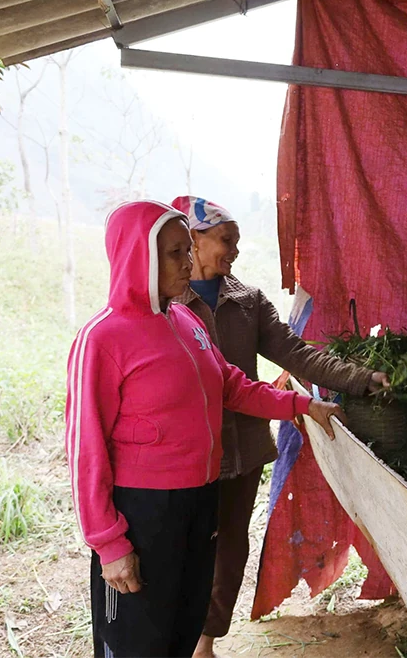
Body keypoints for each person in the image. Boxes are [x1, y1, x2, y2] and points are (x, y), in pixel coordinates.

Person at [65, 200, 346, 658]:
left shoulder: (185, 320)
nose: (188, 262)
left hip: (199, 497)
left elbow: (231, 387)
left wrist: (300, 404)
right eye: (175, 253)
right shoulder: (103, 337)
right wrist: (109, 543)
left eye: (185, 250)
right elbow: (85, 447)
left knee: (183, 619)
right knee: (138, 636)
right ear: (141, 256)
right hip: (144, 510)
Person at [168, 195, 389, 658]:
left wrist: (364, 379)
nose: (234, 251)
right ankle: (171, 635)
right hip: (181, 457)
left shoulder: (247, 302)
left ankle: (204, 643)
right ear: (194, 238)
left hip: (242, 451)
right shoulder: (165, 303)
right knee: (179, 549)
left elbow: (298, 354)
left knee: (229, 552)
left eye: (237, 242)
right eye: (226, 240)